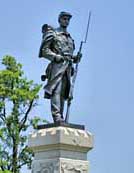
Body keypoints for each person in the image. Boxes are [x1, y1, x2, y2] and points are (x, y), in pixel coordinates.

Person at [39, 11, 82, 123]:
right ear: (59, 20)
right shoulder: (53, 34)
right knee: (56, 90)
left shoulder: (69, 38)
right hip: (57, 67)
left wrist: (75, 58)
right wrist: (55, 57)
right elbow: (44, 51)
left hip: (67, 68)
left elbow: (68, 54)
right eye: (64, 19)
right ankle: (57, 116)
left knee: (64, 93)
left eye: (68, 19)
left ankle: (61, 117)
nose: (66, 21)